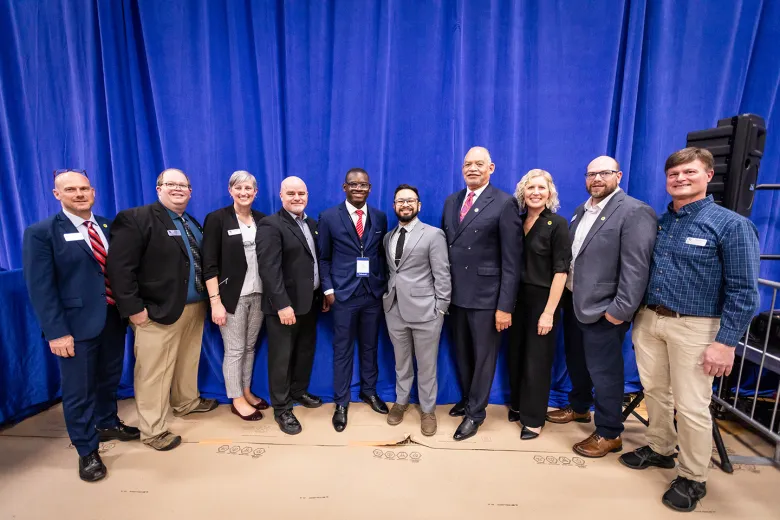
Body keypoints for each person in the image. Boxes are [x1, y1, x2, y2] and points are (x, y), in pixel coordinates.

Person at [619, 148, 760, 513]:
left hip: (697, 328)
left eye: (689, 172)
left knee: (693, 405)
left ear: (708, 175)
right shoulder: (661, 221)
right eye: (674, 174)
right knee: (655, 391)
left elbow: (744, 291)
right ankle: (661, 448)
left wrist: (726, 343)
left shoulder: (730, 225)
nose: (680, 179)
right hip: (651, 320)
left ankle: (693, 476)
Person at [22, 169, 139, 482]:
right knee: (78, 390)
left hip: (113, 318)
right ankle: (87, 449)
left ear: (93, 192)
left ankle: (107, 423)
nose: (79, 194)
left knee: (108, 378)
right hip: (74, 327)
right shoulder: (42, 232)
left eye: (84, 188)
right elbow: (41, 288)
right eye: (70, 189)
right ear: (56, 194)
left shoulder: (107, 226)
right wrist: (57, 331)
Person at [546, 156, 657, 457]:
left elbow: (637, 269)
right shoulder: (581, 210)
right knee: (577, 363)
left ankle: (609, 433)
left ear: (618, 176)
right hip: (575, 302)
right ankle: (580, 407)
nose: (596, 179)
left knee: (605, 372)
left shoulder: (634, 211)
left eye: (604, 173)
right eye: (591, 174)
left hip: (605, 309)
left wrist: (619, 311)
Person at [106, 168, 218, 451]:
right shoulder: (136, 219)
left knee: (187, 360)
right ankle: (153, 430)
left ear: (191, 191)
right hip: (156, 310)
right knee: (153, 372)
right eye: (171, 184)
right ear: (158, 188)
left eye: (184, 185)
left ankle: (186, 403)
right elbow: (119, 269)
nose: (178, 189)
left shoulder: (191, 222)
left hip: (193, 306)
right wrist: (134, 309)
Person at [440, 146, 523, 441]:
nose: (472, 168)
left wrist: (505, 306)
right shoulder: (451, 201)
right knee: (462, 354)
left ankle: (476, 413)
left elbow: (512, 262)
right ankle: (467, 398)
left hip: (487, 298)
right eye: (467, 164)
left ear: (491, 168)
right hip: (455, 296)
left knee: (484, 358)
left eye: (479, 164)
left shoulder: (504, 203)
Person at [318, 168, 389, 432]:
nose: (358, 188)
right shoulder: (328, 217)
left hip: (371, 294)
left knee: (371, 346)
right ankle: (341, 402)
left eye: (363, 185)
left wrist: (382, 285)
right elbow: (323, 258)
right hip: (344, 296)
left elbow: (381, 255)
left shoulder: (380, 217)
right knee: (343, 349)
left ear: (370, 188)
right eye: (353, 184)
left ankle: (369, 392)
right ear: (344, 187)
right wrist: (328, 290)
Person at [256, 176, 324, 435]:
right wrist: (282, 304)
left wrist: (322, 294)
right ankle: (282, 408)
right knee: (281, 359)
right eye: (291, 193)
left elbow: (315, 262)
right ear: (281, 196)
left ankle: (298, 391)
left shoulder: (312, 223)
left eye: (301, 193)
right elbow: (269, 269)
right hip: (284, 308)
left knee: (304, 351)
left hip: (310, 303)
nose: (297, 198)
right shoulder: (270, 225)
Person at [506, 169, 570, 440]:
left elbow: (561, 271)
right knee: (517, 355)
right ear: (523, 192)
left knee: (538, 360)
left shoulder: (557, 224)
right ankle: (519, 405)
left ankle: (533, 419)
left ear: (549, 193)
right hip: (516, 298)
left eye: (541, 188)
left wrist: (548, 312)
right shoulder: (516, 222)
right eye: (530, 188)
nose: (535, 192)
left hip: (543, 300)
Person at [383, 184, 451, 436]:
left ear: (419, 205)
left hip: (426, 313)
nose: (405, 205)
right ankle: (401, 402)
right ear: (394, 206)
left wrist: (441, 309)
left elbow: (442, 274)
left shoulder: (433, 235)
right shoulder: (387, 237)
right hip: (394, 310)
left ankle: (427, 410)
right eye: (400, 201)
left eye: (410, 200)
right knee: (401, 363)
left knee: (427, 365)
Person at [202, 171, 268, 421]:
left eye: (249, 188)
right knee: (235, 349)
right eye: (238, 188)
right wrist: (215, 302)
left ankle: (247, 390)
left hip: (259, 293)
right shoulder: (217, 219)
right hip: (231, 296)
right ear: (230, 191)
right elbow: (209, 264)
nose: (244, 193)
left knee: (250, 347)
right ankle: (236, 398)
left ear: (255, 192)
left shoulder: (262, 220)